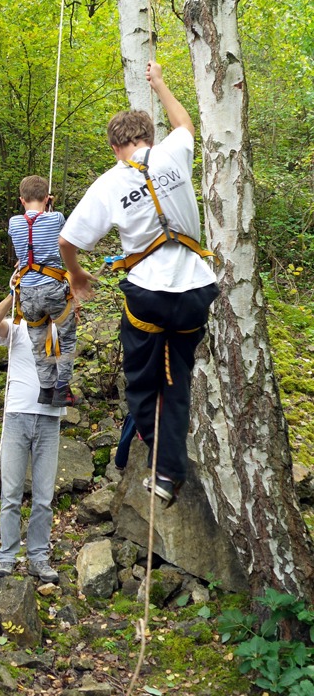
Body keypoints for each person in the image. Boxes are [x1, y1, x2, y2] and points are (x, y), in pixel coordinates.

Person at [59, 60, 220, 507]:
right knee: (177, 378)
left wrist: (76, 274)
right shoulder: (174, 153)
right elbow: (184, 122)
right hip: (196, 292)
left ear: (115, 147)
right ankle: (167, 470)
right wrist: (161, 84)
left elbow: (67, 240)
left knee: (144, 384)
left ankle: (164, 466)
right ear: (149, 137)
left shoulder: (110, 184)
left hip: (150, 295)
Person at [0, 293, 66, 582]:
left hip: (49, 419)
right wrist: (13, 293)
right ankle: (6, 557)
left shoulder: (60, 330)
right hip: (17, 416)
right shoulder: (17, 328)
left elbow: (72, 311)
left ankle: (38, 558)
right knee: (11, 495)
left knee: (44, 497)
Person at [8, 175, 77, 408]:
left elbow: (28, 243)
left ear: (21, 200)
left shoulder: (14, 223)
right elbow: (63, 238)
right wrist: (50, 208)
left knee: (37, 342)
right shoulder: (56, 217)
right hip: (53, 289)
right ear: (47, 199)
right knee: (66, 339)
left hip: (27, 292)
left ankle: (45, 390)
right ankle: (62, 389)